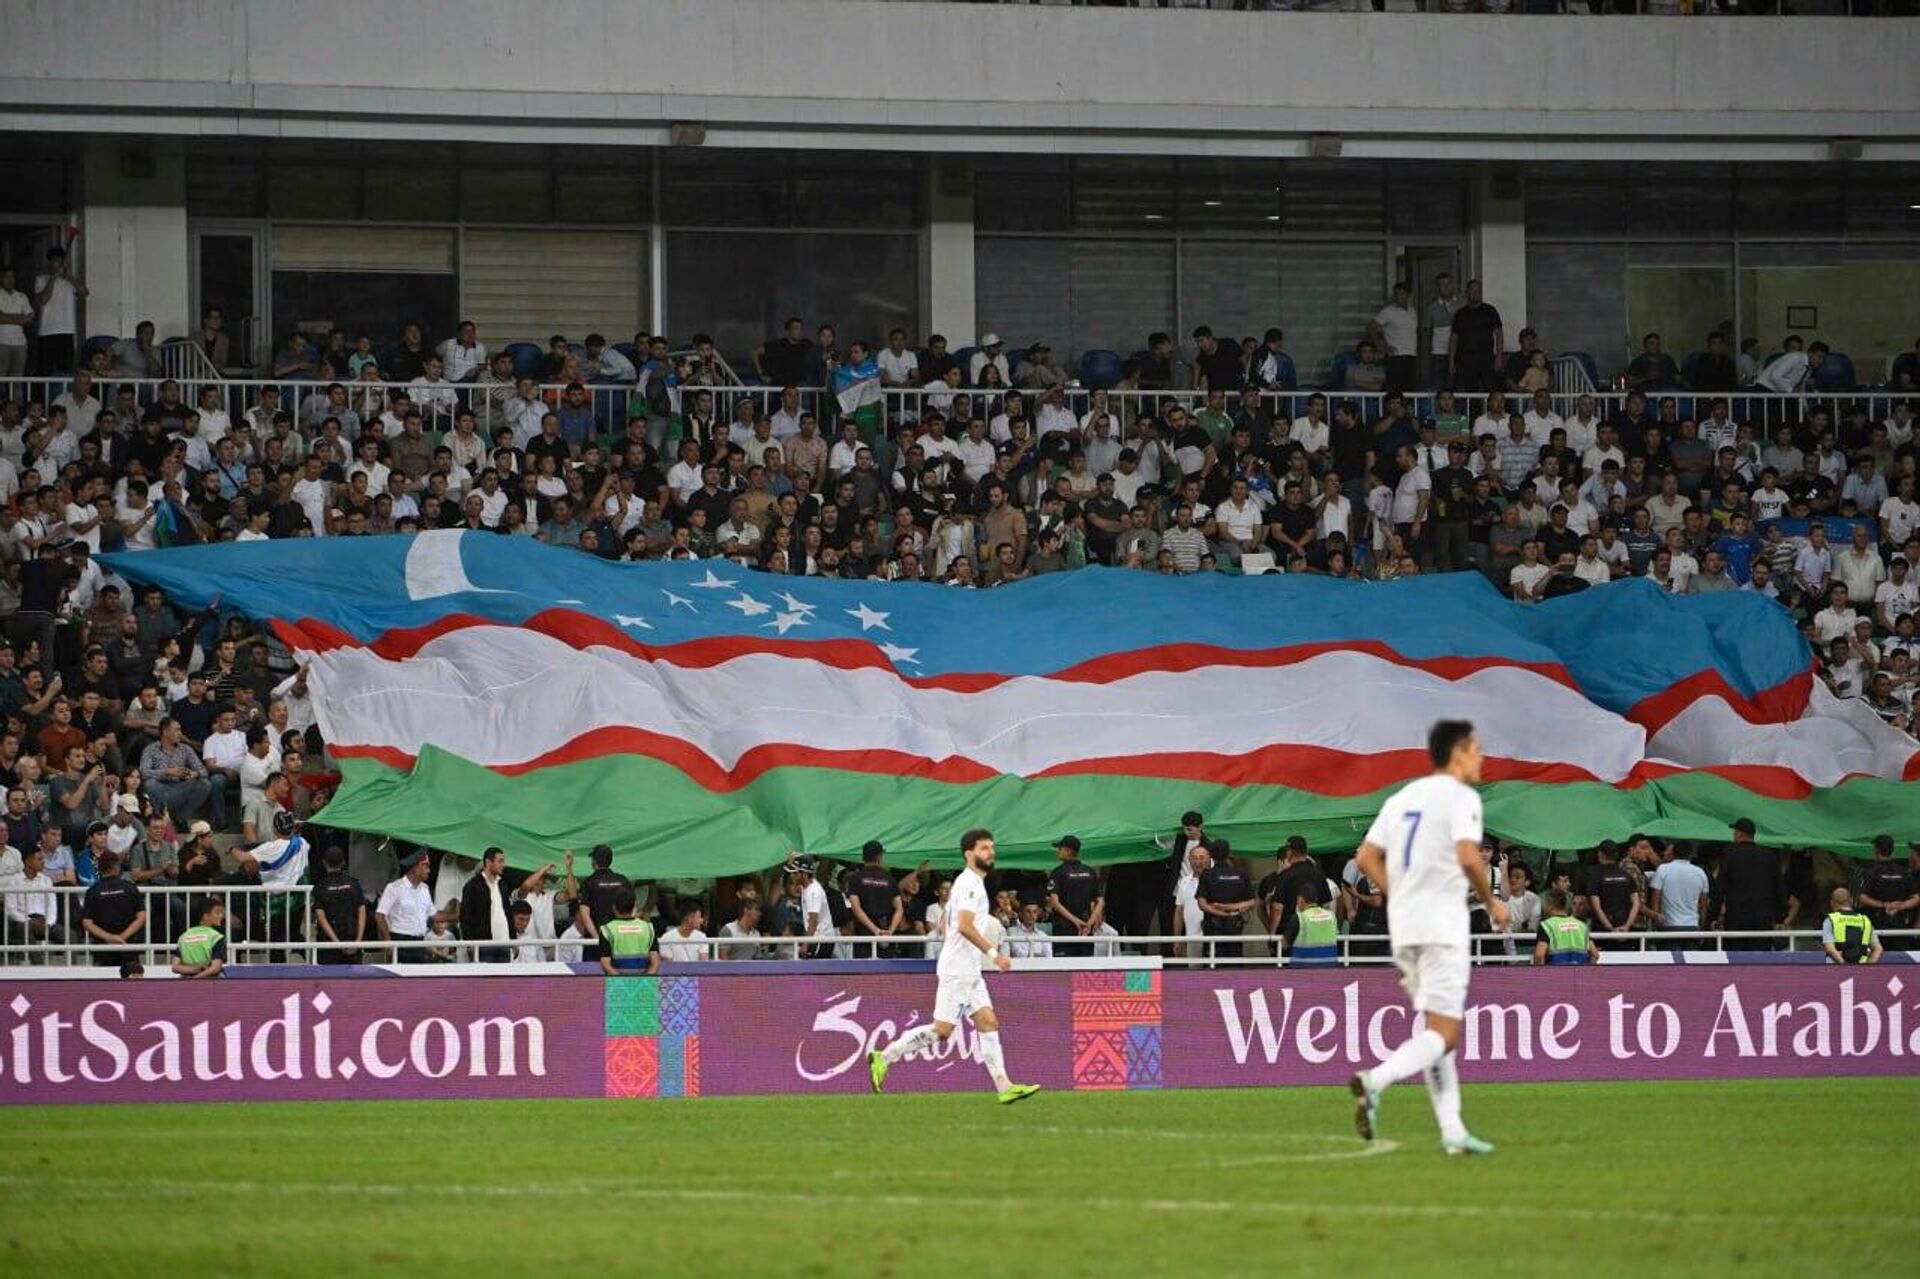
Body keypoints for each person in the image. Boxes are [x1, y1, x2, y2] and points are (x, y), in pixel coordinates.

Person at [1347, 720, 1506, 1156]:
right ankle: (1375, 1080)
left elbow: (1365, 857)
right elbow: (1468, 855)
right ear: (1457, 753)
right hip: (1442, 925)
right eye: (1476, 749)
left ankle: (1452, 1130)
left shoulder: (1402, 798)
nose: (1482, 757)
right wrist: (1490, 902)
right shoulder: (1461, 797)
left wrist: (1399, 895)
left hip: (1405, 929)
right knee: (1446, 1033)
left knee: (1437, 1027)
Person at [867, 827, 1040, 1104]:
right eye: (984, 848)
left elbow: (946, 926)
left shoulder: (969, 883)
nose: (991, 852)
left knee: (988, 1021)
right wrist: (994, 954)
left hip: (968, 968)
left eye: (992, 847)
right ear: (968, 854)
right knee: (942, 1031)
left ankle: (1004, 1086)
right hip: (959, 969)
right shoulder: (969, 883)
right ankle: (884, 1056)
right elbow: (967, 927)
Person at [79, 848, 145, 967]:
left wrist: (110, 938)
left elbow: (87, 923)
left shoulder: (93, 891)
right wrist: (121, 938)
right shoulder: (130, 888)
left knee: (103, 985)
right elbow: (141, 917)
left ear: (99, 868)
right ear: (117, 867)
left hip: (103, 950)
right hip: (128, 946)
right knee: (131, 983)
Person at [1044, 833, 1103, 957]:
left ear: (1068, 851)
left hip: (1064, 930)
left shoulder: (1058, 872)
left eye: (1060, 848)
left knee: (1064, 971)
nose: (1058, 851)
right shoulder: (1090, 871)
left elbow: (1054, 901)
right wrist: (1089, 923)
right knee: (1085, 971)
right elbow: (1100, 901)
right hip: (1086, 931)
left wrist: (1075, 921)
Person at [310, 844, 367, 965]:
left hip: (329, 947)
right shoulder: (354, 884)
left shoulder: (320, 886)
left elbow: (321, 918)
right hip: (352, 943)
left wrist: (337, 943)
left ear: (324, 863)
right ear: (344, 862)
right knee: (354, 982)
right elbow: (362, 912)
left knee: (329, 982)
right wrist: (358, 941)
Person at [376, 848, 435, 963]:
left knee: (419, 979)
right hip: (400, 941)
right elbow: (379, 915)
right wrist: (387, 941)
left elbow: (434, 914)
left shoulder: (425, 889)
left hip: (419, 942)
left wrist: (457, 914)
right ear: (416, 867)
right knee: (399, 979)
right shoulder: (394, 888)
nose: (429, 871)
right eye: (426, 866)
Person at [459, 846, 514, 963]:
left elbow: (508, 913)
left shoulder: (502, 884)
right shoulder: (472, 886)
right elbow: (465, 917)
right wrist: (470, 943)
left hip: (504, 942)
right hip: (483, 944)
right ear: (488, 862)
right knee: (486, 981)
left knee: (505, 980)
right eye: (500, 861)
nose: (503, 865)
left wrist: (513, 939)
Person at [597, 885, 660, 975]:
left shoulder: (607, 930)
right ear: (634, 906)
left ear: (614, 907)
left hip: (618, 986)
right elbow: (655, 963)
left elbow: (605, 964)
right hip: (644, 985)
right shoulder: (648, 928)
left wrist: (624, 981)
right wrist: (645, 980)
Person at [1532, 892, 1598, 966]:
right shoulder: (1582, 926)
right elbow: (1595, 955)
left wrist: (1541, 975)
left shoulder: (1547, 925)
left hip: (1556, 975)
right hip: (1579, 974)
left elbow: (1539, 956)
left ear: (1549, 905)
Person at [170, 896, 227, 979]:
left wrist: (192, 971)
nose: (221, 916)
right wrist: (197, 978)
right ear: (206, 916)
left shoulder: (183, 937)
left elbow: (175, 967)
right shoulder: (216, 937)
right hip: (212, 982)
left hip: (186, 982)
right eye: (217, 913)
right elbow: (215, 968)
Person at [1822, 888, 1881, 965]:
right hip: (1861, 971)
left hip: (1835, 970)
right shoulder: (1865, 920)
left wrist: (1845, 965)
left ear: (1831, 903)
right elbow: (1878, 949)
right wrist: (1868, 966)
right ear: (1851, 901)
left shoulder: (1830, 920)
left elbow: (1830, 949)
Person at [1287, 890, 1339, 968]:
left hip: (1302, 966)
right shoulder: (1331, 915)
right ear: (1316, 899)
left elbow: (1284, 943)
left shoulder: (1299, 917)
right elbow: (1335, 934)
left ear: (1300, 899)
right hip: (1329, 965)